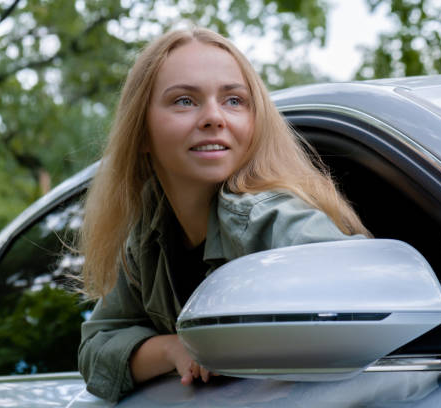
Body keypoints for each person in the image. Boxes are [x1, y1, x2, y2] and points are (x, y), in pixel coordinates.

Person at [77, 26, 371, 402]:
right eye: (184, 101)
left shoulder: (273, 218)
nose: (214, 117)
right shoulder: (146, 236)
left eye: (234, 100)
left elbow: (360, 305)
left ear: (254, 122)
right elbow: (96, 346)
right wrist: (175, 349)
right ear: (143, 133)